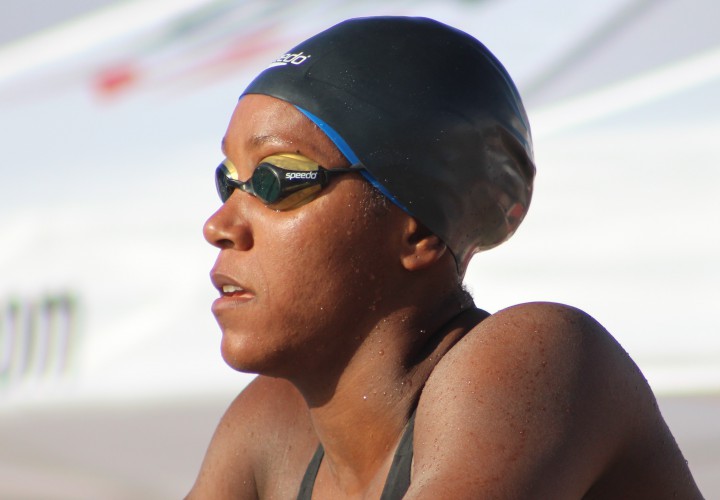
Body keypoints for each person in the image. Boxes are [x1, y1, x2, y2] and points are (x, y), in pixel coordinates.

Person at [187, 16, 702, 499]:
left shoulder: (534, 363)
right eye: (228, 181)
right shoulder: (273, 426)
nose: (219, 226)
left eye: (277, 180)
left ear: (419, 229)